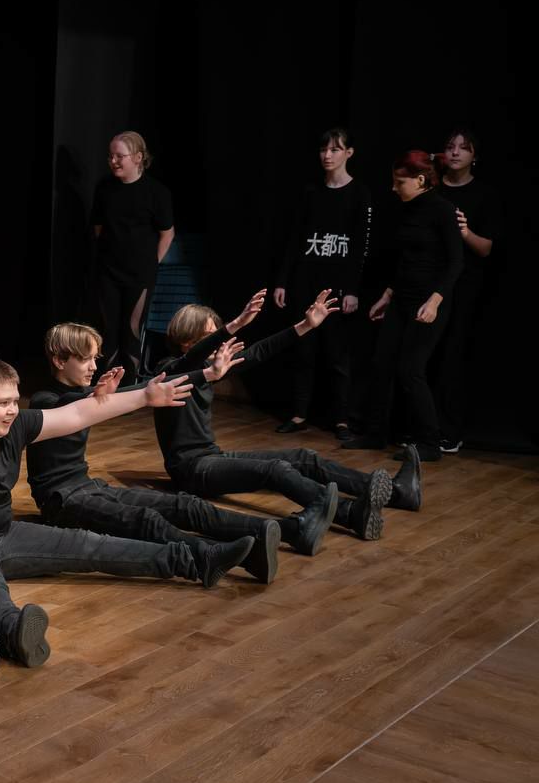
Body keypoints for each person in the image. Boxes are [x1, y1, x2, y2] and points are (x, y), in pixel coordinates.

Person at [0, 358, 253, 668]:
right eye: (3, 403)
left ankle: (199, 560)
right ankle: (14, 633)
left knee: (88, 544)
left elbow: (78, 414)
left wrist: (145, 397)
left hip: (2, 533)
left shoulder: (14, 427)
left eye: (14, 401)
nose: (12, 410)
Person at [155, 289, 421, 556]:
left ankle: (398, 493)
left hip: (211, 457)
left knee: (303, 457)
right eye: (211, 337)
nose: (220, 343)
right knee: (275, 470)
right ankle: (349, 512)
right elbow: (189, 363)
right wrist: (235, 325)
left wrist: (306, 325)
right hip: (191, 470)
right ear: (187, 342)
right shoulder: (170, 372)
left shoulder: (211, 370)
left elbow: (260, 351)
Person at [27, 321, 286, 584]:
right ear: (60, 361)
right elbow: (69, 406)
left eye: (95, 358)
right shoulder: (43, 401)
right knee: (145, 520)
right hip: (60, 502)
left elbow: (146, 388)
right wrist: (94, 397)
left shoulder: (85, 395)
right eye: (85, 359)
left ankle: (259, 536)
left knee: (185, 505)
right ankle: (208, 558)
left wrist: (207, 374)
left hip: (89, 486)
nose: (94, 367)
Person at [343, 150, 464, 462]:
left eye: (400, 182)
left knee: (411, 370)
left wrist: (434, 301)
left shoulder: (443, 210)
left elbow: (455, 263)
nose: (394, 188)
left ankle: (430, 444)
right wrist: (387, 295)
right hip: (401, 299)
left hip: (430, 302)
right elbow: (406, 260)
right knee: (381, 363)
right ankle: (375, 434)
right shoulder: (406, 209)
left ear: (421, 180)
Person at [273, 128, 372, 440]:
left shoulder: (359, 194)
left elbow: (360, 246)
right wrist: (283, 281)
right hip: (306, 280)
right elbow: (295, 238)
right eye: (323, 150)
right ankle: (299, 413)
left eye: (335, 149)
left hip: (339, 284)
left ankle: (341, 419)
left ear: (349, 153)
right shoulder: (311, 192)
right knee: (304, 349)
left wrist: (352, 289)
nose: (327, 156)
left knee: (337, 355)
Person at [433, 129, 499, 454]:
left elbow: (485, 248)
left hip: (463, 286)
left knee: (452, 356)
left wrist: (464, 231)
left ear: (475, 156)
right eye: (450, 147)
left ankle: (450, 430)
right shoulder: (433, 188)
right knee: (423, 356)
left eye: (464, 148)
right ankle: (421, 427)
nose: (456, 152)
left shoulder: (483, 194)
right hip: (428, 282)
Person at [89, 130, 175, 376]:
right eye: (110, 156)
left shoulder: (157, 192)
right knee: (108, 328)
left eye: (119, 156)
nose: (113, 161)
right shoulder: (104, 188)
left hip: (140, 273)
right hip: (108, 270)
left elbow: (167, 234)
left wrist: (151, 264)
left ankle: (129, 385)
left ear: (138, 157)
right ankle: (106, 383)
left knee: (131, 329)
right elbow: (98, 227)